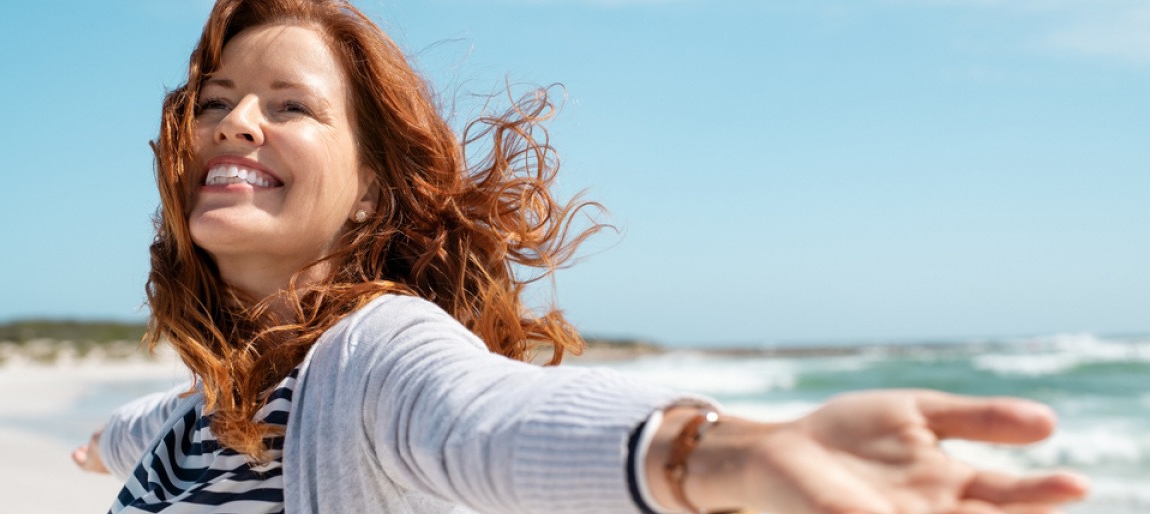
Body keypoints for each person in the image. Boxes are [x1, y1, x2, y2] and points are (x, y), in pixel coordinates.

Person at [73, 0, 1089, 512]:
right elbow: (142, 427)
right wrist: (94, 443)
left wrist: (714, 453)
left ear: (375, 186)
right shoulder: (212, 403)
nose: (236, 123)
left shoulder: (372, 362)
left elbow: (492, 417)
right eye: (215, 104)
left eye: (289, 105)